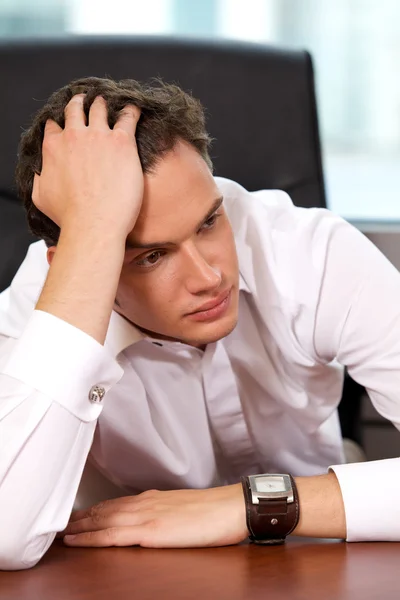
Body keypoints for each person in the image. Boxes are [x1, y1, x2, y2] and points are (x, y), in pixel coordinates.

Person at [1, 76, 400, 571]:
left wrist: (246, 505)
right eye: (152, 256)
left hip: (315, 546)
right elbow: (5, 536)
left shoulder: (308, 251)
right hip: (130, 571)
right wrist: (95, 237)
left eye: (209, 221)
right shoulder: (29, 316)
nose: (209, 277)